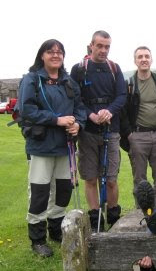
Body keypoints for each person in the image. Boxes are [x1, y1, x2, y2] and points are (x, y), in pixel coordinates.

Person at [19, 39, 86, 257]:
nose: (55, 55)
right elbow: (26, 110)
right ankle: (37, 239)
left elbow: (80, 108)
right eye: (51, 52)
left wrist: (78, 124)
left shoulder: (68, 81)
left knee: (64, 190)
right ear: (42, 55)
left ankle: (56, 230)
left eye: (59, 52)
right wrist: (56, 120)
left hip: (65, 147)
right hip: (41, 147)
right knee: (40, 193)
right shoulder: (32, 80)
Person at [71, 30, 126, 231]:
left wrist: (109, 111)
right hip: (88, 131)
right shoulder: (79, 69)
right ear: (91, 45)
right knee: (90, 177)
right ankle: (95, 221)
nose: (103, 50)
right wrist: (90, 115)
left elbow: (121, 96)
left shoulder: (114, 68)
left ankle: (113, 219)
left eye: (107, 46)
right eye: (100, 46)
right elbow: (75, 99)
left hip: (111, 130)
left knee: (111, 178)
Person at [120, 46, 156, 209]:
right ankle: (140, 213)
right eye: (140, 57)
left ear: (151, 59)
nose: (144, 59)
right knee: (140, 180)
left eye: (146, 56)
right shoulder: (128, 84)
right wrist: (129, 134)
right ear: (135, 61)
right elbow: (122, 112)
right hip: (137, 137)